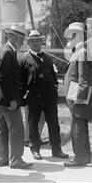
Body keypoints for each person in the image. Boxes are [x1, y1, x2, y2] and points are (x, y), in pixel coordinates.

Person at [19, 29, 68, 160]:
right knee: (33, 124)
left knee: (54, 124)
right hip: (34, 98)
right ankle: (35, 149)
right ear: (28, 43)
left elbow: (54, 75)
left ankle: (57, 150)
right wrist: (23, 98)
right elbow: (21, 81)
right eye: (33, 41)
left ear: (42, 42)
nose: (36, 43)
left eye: (38, 41)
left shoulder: (47, 57)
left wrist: (55, 88)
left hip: (50, 98)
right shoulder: (24, 59)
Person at [0, 25, 33, 169]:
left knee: (2, 128)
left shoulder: (3, 50)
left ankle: (2, 159)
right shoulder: (8, 52)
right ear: (12, 37)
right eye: (21, 39)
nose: (23, 42)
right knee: (16, 128)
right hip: (8, 99)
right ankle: (16, 160)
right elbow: (3, 78)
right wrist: (11, 99)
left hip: (0, 98)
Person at [63, 22, 92, 167]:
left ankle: (80, 157)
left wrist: (80, 98)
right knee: (80, 126)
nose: (69, 38)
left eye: (71, 35)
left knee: (77, 128)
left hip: (78, 97)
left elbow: (84, 78)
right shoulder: (80, 51)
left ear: (77, 35)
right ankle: (85, 156)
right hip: (76, 96)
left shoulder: (82, 53)